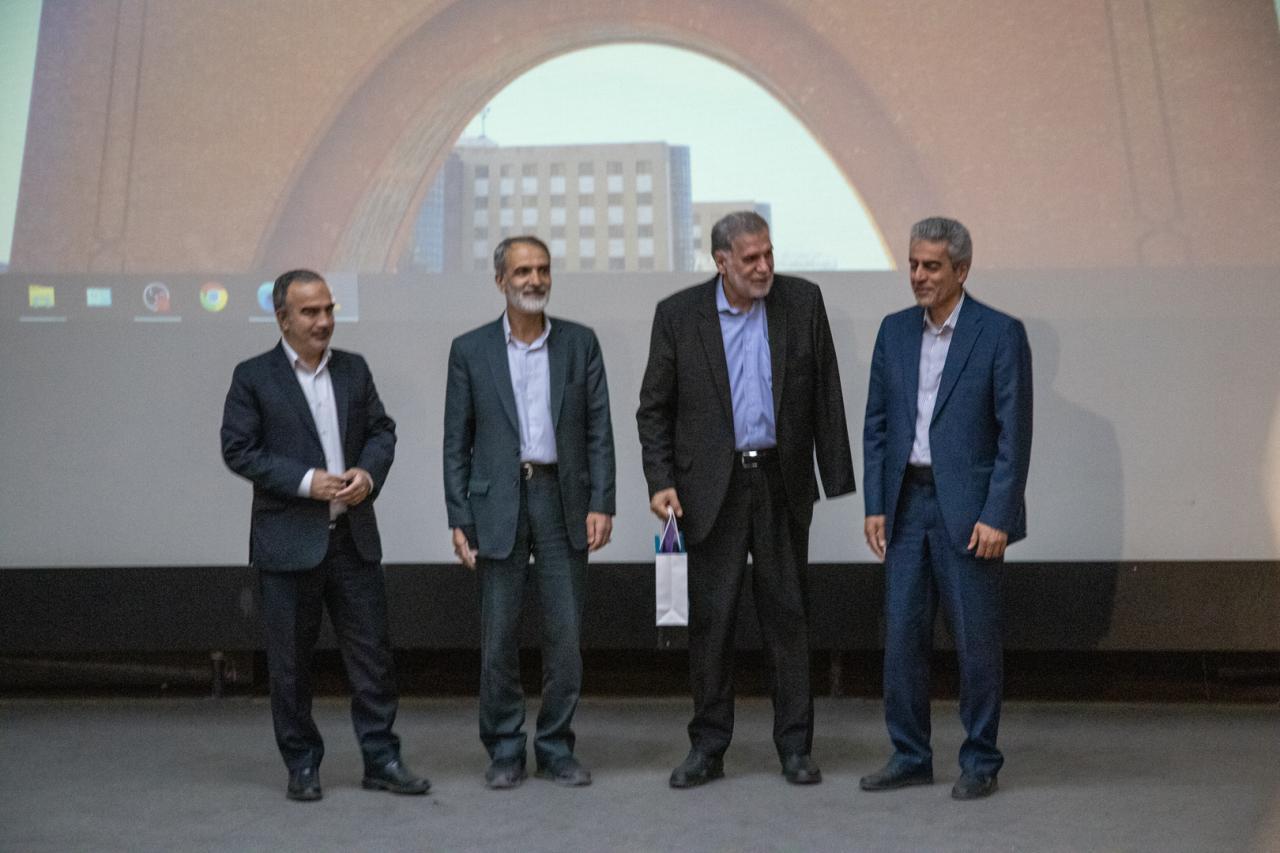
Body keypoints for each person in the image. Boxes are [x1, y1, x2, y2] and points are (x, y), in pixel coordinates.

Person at [636, 211, 855, 788]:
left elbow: (825, 390)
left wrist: (836, 477)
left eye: (768, 254)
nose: (764, 267)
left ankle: (796, 748)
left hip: (781, 481)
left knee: (789, 617)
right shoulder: (678, 315)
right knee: (713, 622)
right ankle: (708, 747)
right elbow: (654, 409)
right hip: (711, 488)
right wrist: (660, 480)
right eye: (750, 258)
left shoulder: (802, 303)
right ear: (721, 262)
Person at [221, 269, 428, 802]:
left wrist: (368, 474)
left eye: (329, 310)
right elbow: (239, 450)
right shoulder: (254, 376)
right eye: (310, 312)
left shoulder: (353, 369)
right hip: (288, 544)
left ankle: (382, 759)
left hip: (352, 539)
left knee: (373, 658)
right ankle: (302, 765)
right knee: (290, 664)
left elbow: (382, 431)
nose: (323, 321)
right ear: (282, 318)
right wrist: (306, 481)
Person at [860, 217, 1033, 800]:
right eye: (913, 264)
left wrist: (999, 514)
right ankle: (910, 755)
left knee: (975, 643)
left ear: (961, 270)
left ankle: (980, 760)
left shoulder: (999, 333)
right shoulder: (894, 331)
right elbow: (877, 425)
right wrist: (876, 504)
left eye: (931, 266)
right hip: (907, 504)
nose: (918, 275)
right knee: (902, 639)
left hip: (971, 512)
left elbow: (1014, 436)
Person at [443, 235, 616, 790]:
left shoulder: (579, 343)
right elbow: (456, 443)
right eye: (522, 271)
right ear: (500, 281)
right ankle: (504, 750)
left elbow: (599, 429)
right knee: (498, 636)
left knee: (565, 637)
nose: (535, 280)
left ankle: (557, 747)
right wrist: (458, 516)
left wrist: (602, 502)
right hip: (496, 503)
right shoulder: (470, 349)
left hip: (562, 498)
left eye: (542, 269)